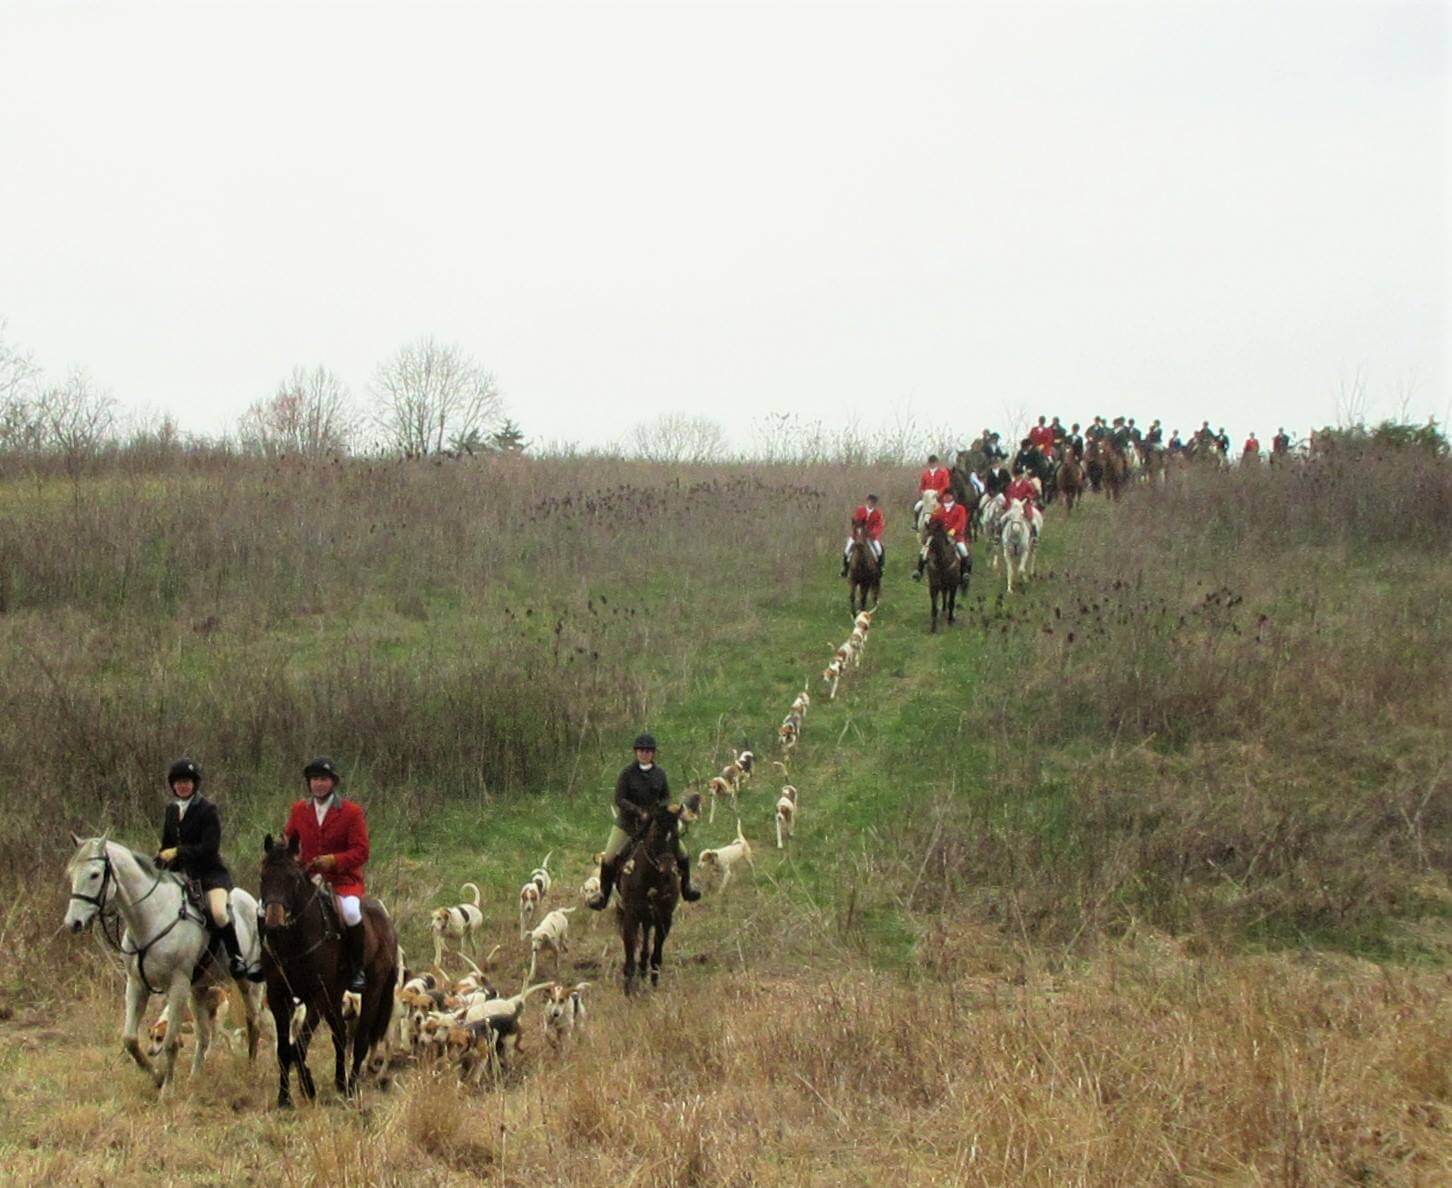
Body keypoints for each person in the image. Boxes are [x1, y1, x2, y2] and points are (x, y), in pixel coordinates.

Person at [156, 758, 261, 982]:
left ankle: (237, 957)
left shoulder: (207, 809)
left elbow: (209, 847)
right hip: (181, 875)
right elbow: (167, 844)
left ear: (194, 784)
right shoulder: (171, 810)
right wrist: (158, 862)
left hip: (211, 875)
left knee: (219, 913)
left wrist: (178, 852)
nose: (182, 786)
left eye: (186, 782)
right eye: (178, 782)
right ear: (172, 785)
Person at [283, 757, 370, 993]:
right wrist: (290, 859)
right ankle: (272, 963)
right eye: (314, 780)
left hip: (342, 880)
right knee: (270, 907)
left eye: (323, 779)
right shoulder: (299, 809)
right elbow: (289, 841)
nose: (318, 784)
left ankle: (356, 968)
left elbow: (361, 851)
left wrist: (333, 860)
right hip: (307, 877)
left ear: (333, 782)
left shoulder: (351, 812)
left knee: (351, 913)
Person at [590, 734, 699, 909]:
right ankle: (603, 895)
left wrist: (665, 809)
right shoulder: (626, 773)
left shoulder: (660, 774)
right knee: (609, 856)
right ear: (636, 752)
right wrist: (638, 811)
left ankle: (687, 887)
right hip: (627, 824)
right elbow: (619, 798)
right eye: (641, 750)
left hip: (654, 823)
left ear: (653, 753)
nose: (644, 754)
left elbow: (665, 796)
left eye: (648, 751)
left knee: (682, 853)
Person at [914, 487, 970, 590]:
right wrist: (931, 526)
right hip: (940, 536)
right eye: (945, 496)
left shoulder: (960, 508)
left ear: (953, 497)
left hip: (955, 536)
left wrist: (953, 531)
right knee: (924, 550)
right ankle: (919, 571)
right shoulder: (938, 509)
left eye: (949, 496)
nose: (946, 498)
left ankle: (965, 573)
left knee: (964, 551)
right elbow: (933, 520)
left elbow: (961, 522)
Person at [841, 494, 885, 575]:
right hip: (857, 535)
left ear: (875, 503)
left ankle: (880, 568)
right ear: (867, 501)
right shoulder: (860, 510)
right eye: (870, 501)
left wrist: (873, 532)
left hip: (871, 537)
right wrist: (857, 530)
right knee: (847, 550)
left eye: (873, 502)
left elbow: (879, 525)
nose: (871, 503)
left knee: (879, 550)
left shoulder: (877, 513)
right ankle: (845, 569)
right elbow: (855, 521)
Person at [913, 454, 952, 523]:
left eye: (934, 462)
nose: (932, 464)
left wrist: (939, 493)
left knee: (947, 509)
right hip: (927, 498)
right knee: (917, 507)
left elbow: (946, 485)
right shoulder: (925, 474)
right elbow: (922, 486)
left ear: (937, 463)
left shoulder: (943, 473)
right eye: (931, 463)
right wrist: (923, 493)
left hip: (938, 497)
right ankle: (916, 525)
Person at [1006, 467, 1040, 533]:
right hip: (1014, 505)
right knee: (1003, 518)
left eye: (1018, 475)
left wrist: (1027, 497)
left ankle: (1034, 536)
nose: (1017, 477)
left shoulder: (1026, 484)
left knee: (1031, 520)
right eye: (1015, 475)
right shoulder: (1011, 485)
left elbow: (1032, 493)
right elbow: (1008, 494)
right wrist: (1009, 501)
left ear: (1021, 475)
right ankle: (998, 535)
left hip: (1024, 504)